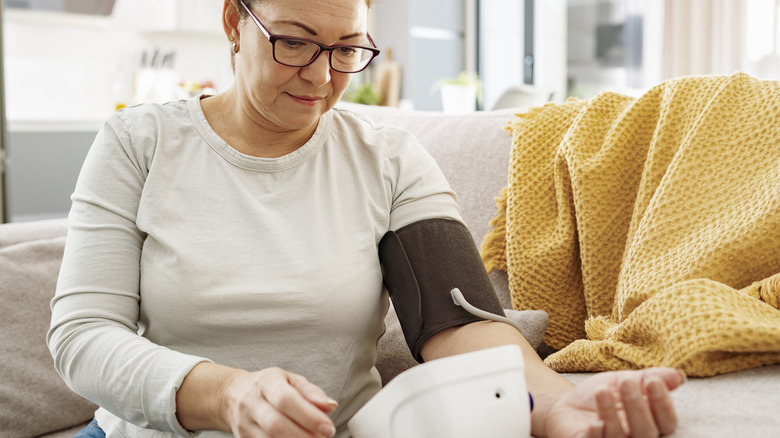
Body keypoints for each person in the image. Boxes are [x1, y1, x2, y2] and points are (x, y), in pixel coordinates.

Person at [47, 0, 685, 437]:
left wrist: (556, 406)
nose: (321, 77)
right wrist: (227, 394)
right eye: (293, 42)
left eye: (347, 49)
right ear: (233, 23)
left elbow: (456, 319)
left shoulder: (387, 157)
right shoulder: (138, 143)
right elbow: (82, 336)